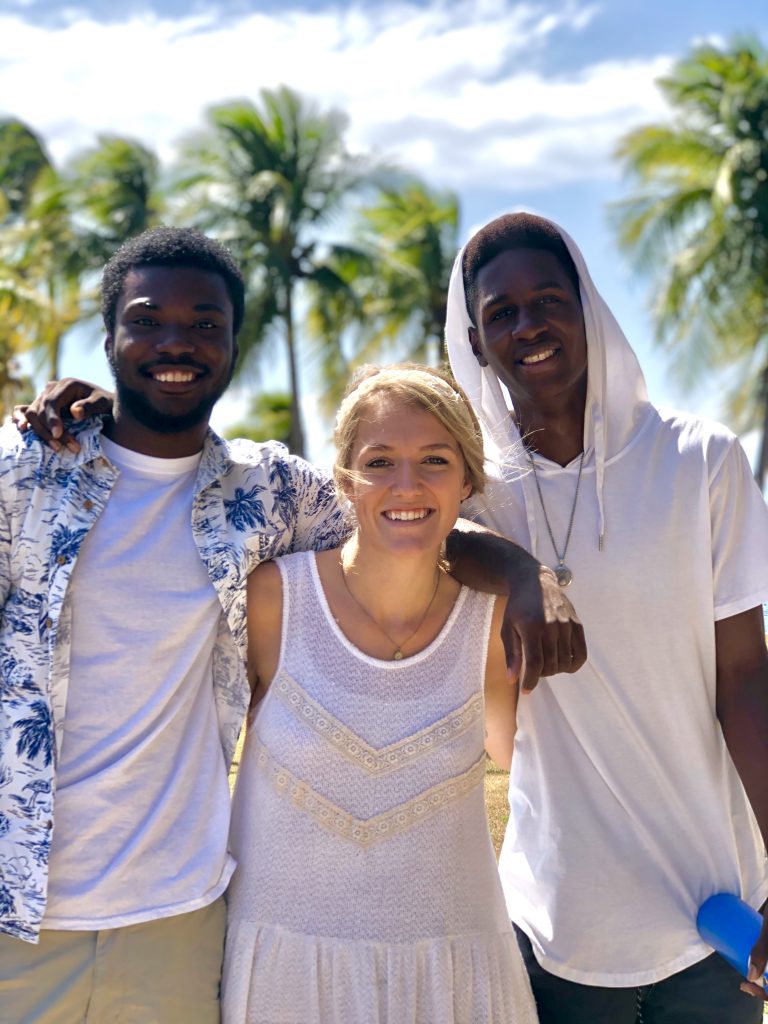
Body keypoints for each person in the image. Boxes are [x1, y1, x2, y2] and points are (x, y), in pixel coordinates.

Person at [1, 225, 584, 1021]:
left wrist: (523, 573)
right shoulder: (24, 471)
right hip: (17, 914)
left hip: (180, 917)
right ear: (109, 337)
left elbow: (406, 509)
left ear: (237, 343)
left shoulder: (267, 492)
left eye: (205, 324)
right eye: (147, 321)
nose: (177, 343)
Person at [446, 211, 768, 1023]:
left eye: (548, 299)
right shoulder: (473, 490)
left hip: (714, 917)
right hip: (555, 928)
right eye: (501, 313)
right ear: (477, 342)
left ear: (588, 308)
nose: (529, 325)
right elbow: (388, 520)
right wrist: (515, 567)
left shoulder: (701, 461)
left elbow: (748, 680)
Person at [223, 364, 540, 1023]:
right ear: (344, 479)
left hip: (455, 979)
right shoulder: (276, 599)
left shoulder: (490, 623)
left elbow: (535, 774)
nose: (407, 485)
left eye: (434, 460)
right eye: (379, 461)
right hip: (285, 977)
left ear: (467, 481)